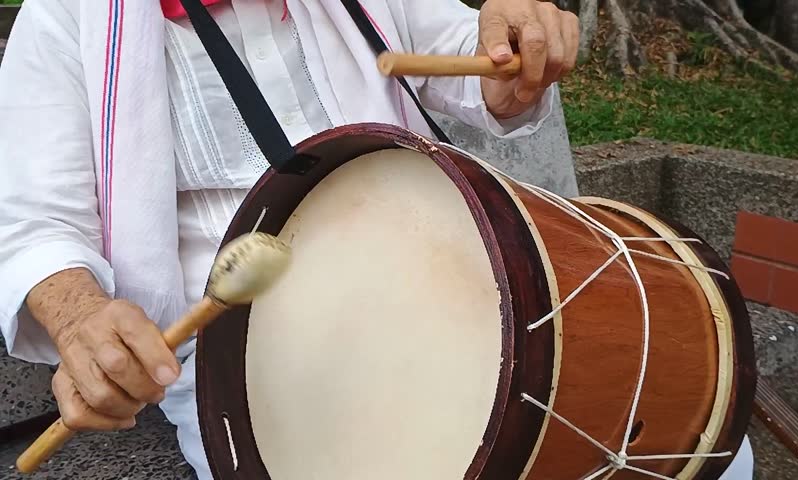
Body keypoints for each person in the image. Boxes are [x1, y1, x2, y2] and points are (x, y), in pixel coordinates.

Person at [0, 0, 753, 478]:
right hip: (244, 342)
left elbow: (476, 53)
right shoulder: (62, 18)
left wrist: (514, 47)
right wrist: (80, 321)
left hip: (437, 265)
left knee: (662, 419)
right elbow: (33, 222)